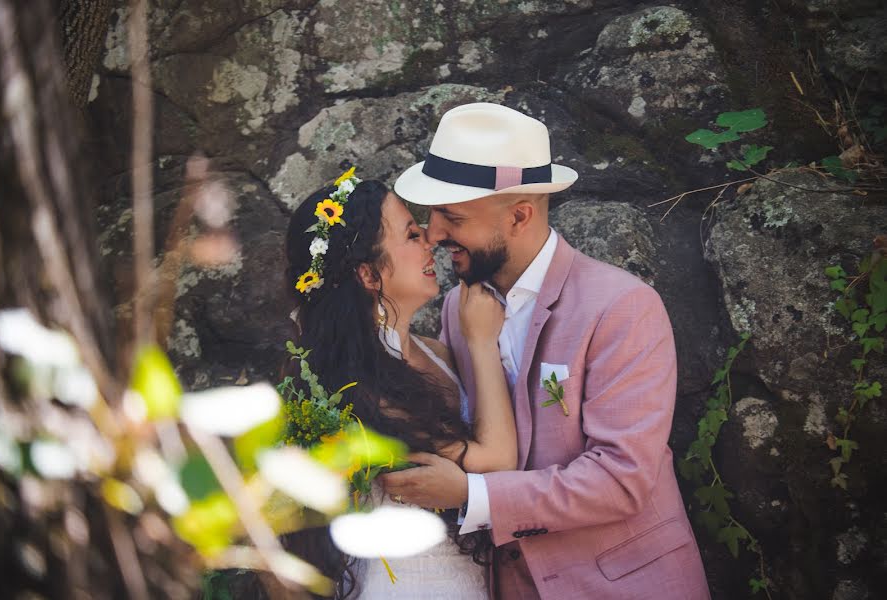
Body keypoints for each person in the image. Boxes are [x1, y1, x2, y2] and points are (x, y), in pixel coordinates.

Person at [380, 103, 711, 599]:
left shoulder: (621, 306)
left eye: (452, 216)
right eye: (430, 215)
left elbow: (621, 478)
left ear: (519, 215)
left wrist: (474, 496)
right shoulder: (454, 308)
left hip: (623, 585)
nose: (434, 233)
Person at [285, 175, 517, 599]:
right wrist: (481, 342)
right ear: (369, 275)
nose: (430, 240)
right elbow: (498, 460)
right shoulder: (357, 386)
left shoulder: (436, 354)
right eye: (411, 234)